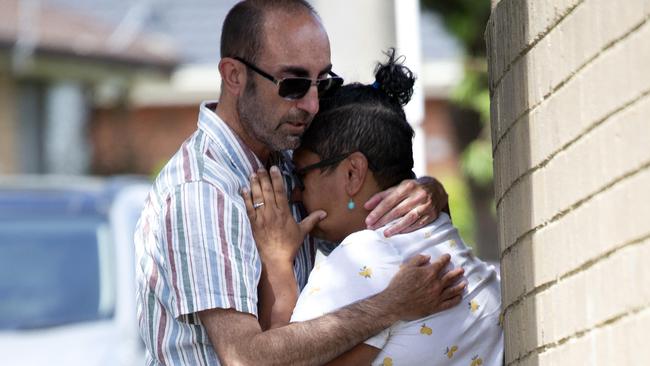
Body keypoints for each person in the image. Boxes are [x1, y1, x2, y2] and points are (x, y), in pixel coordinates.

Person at [134, 1, 463, 365]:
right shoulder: (200, 193)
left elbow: (368, 207)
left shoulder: (293, 159)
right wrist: (391, 305)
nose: (311, 105)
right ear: (233, 76)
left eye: (322, 83)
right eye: (293, 84)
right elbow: (246, 359)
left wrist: (429, 192)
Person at [243, 49, 503, 365]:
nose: (295, 195)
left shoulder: (360, 260)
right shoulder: (441, 232)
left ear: (352, 172)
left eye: (302, 176)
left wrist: (277, 260)